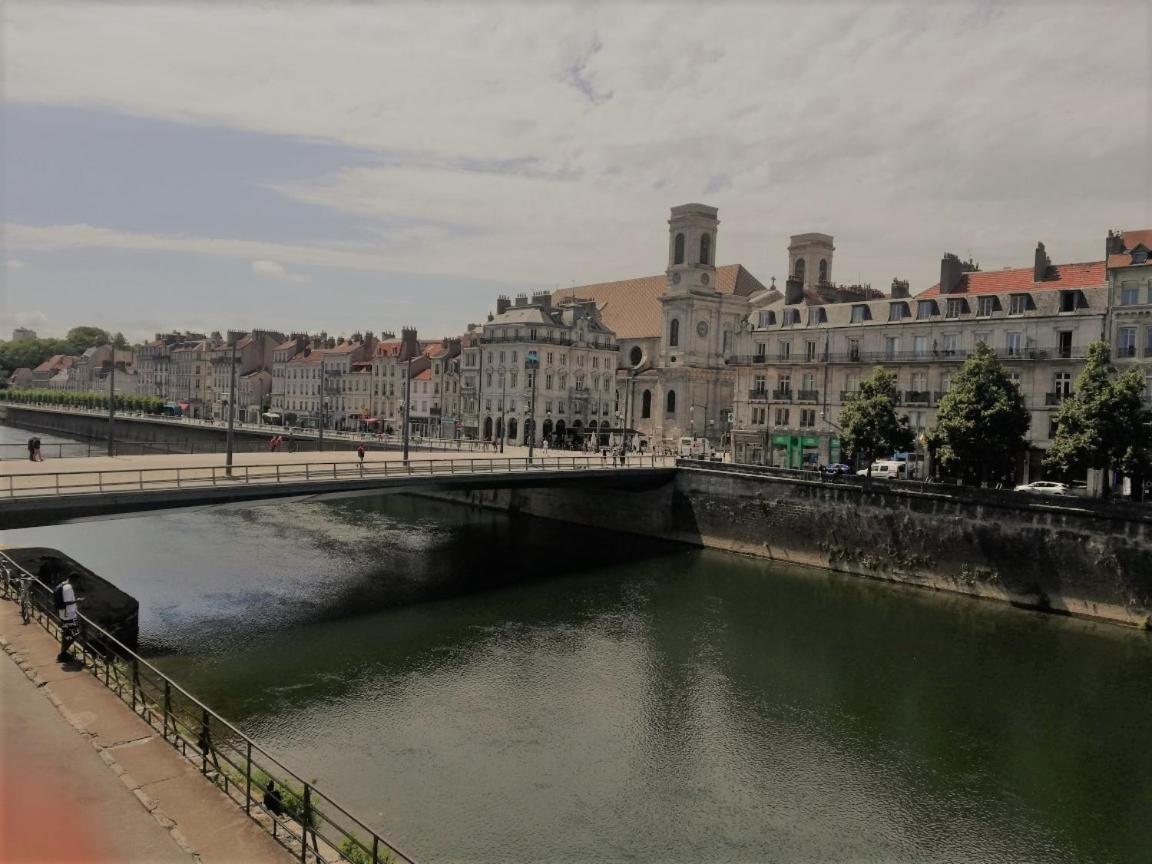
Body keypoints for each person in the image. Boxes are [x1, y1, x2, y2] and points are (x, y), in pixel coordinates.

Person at [52, 575, 79, 662]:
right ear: (74, 580)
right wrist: (77, 600)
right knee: (74, 633)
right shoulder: (68, 587)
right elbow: (67, 601)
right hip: (68, 615)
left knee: (67, 633)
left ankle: (63, 653)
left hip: (63, 613)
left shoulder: (62, 585)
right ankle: (62, 654)